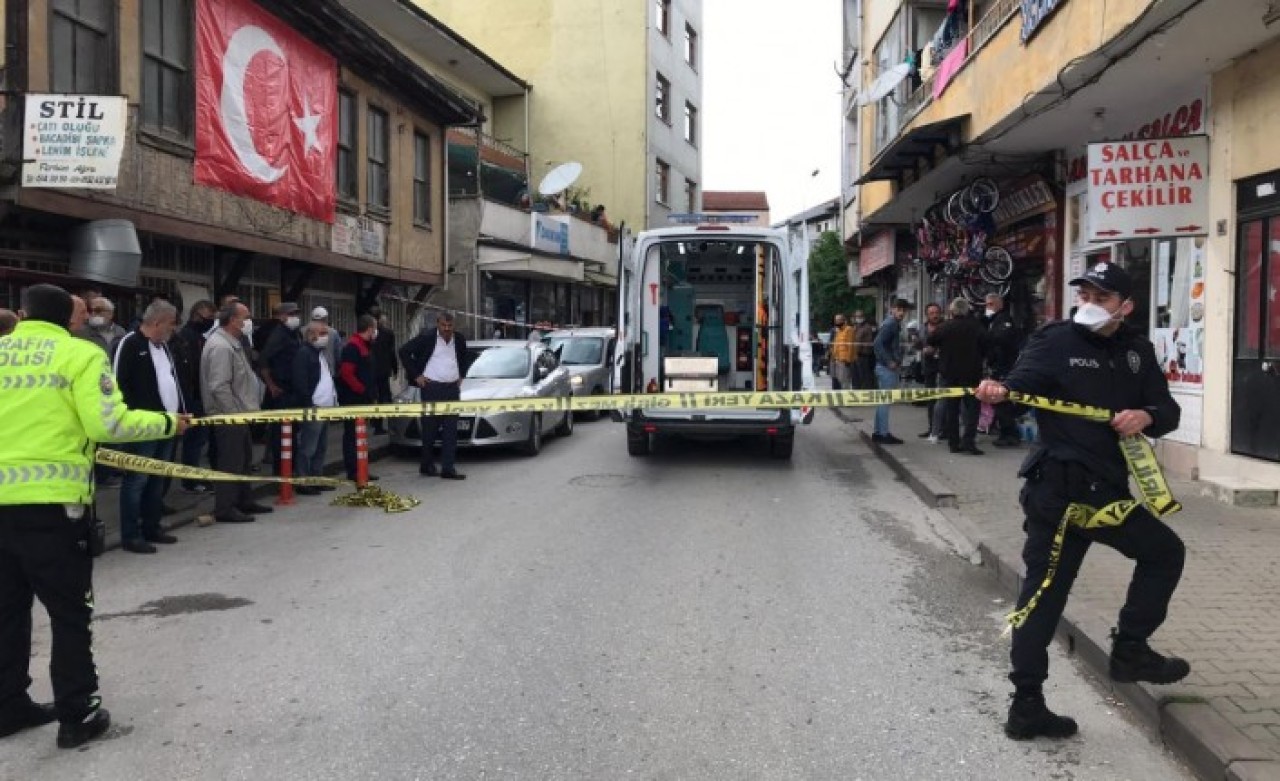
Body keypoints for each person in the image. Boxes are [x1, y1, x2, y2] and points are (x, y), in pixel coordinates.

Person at [975, 263, 1187, 741]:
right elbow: (1020, 384)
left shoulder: (1137, 352)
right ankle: (1029, 702)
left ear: (1126, 306)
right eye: (1085, 293)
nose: (1089, 303)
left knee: (1160, 553)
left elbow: (1168, 411)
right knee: (1045, 595)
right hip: (1059, 491)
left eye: (1103, 297)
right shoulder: (1055, 340)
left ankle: (1128, 649)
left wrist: (1146, 415)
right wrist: (1000, 391)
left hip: (1106, 492)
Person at [0, 284, 189, 749]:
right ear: (68, 317)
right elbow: (109, 424)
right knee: (69, 616)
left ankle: (8, 707)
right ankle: (77, 715)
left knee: (6, 614)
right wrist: (167, 423)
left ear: (24, 313)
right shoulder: (79, 355)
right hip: (53, 508)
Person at [112, 301, 185, 553]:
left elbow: (171, 380)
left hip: (168, 423)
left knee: (157, 478)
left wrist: (180, 411)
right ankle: (131, 535)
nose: (173, 329)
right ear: (157, 322)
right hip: (142, 426)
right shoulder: (130, 344)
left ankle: (152, 527)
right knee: (137, 480)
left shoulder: (163, 346)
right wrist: (132, 418)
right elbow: (118, 384)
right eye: (171, 323)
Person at [201, 302, 273, 524]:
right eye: (246, 317)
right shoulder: (221, 346)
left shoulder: (234, 343)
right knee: (230, 461)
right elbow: (219, 386)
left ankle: (243, 500)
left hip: (241, 413)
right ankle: (225, 507)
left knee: (243, 459)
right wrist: (233, 414)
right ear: (232, 320)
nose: (249, 322)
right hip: (228, 415)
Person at [399, 312, 474, 480]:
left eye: (450, 326)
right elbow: (403, 351)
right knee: (430, 430)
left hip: (452, 389)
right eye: (443, 326)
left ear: (453, 326)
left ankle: (448, 468)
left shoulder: (459, 339)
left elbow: (464, 357)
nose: (447, 329)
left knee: (450, 430)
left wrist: (462, 375)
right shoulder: (427, 337)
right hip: (432, 389)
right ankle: (426, 465)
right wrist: (416, 375)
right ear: (438, 325)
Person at [927, 298, 986, 455]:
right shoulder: (976, 327)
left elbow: (930, 340)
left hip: (950, 374)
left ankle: (954, 443)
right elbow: (987, 346)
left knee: (952, 409)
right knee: (972, 410)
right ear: (967, 311)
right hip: (972, 374)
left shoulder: (945, 327)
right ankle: (969, 442)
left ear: (952, 311)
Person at [291, 321, 339, 496]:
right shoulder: (304, 354)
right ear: (312, 335)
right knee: (308, 447)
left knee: (321, 446)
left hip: (325, 407)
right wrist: (308, 403)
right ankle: (304, 481)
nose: (326, 336)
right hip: (314, 407)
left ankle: (317, 478)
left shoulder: (319, 354)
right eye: (323, 333)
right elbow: (300, 381)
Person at [174, 301, 216, 492]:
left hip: (198, 395)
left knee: (198, 441)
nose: (211, 319)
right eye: (209, 314)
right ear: (198, 313)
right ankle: (190, 480)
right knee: (194, 441)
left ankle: (192, 476)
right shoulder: (187, 338)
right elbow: (188, 370)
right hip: (192, 397)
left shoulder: (198, 337)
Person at [258, 302, 304, 473]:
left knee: (291, 434)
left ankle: (289, 470)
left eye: (297, 314)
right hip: (282, 390)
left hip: (293, 389)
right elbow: (263, 360)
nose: (296, 317)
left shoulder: (293, 333)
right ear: (283, 316)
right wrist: (271, 385)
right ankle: (281, 471)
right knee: (282, 435)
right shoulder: (279, 334)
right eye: (292, 314)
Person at [336, 315, 380, 481]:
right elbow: (347, 374)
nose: (376, 332)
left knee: (361, 435)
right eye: (375, 328)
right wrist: (362, 391)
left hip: (363, 398)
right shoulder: (353, 347)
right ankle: (354, 470)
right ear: (369, 329)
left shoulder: (365, 346)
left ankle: (361, 468)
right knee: (352, 436)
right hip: (354, 399)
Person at [871, 298, 913, 444]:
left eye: (904, 310)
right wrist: (889, 361)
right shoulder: (891, 324)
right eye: (899, 309)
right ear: (892, 309)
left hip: (884, 367)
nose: (901, 313)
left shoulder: (892, 323)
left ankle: (878, 432)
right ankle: (883, 433)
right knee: (885, 401)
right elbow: (877, 344)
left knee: (882, 401)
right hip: (886, 368)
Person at [984, 293, 1023, 447]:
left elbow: (1003, 340)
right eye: (987, 304)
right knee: (999, 402)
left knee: (1001, 401)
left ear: (1000, 304)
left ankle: (1010, 434)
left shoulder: (1004, 320)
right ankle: (1006, 432)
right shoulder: (994, 321)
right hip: (998, 365)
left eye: (991, 304)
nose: (988, 307)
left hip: (1004, 367)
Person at [368, 305, 399, 435]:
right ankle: (382, 425)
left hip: (370, 370)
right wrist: (395, 368)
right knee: (384, 397)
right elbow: (391, 352)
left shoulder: (366, 334)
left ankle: (375, 422)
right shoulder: (387, 333)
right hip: (382, 370)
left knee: (373, 396)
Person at [918, 303, 945, 440]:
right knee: (930, 398)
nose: (934, 315)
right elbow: (918, 344)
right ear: (927, 315)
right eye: (931, 313)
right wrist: (922, 349)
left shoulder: (945, 326)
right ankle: (932, 428)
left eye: (936, 312)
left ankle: (943, 429)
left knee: (944, 398)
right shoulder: (923, 328)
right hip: (928, 366)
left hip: (943, 366)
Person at [827, 313, 855, 391]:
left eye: (839, 320)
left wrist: (848, 360)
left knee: (844, 381)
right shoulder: (838, 330)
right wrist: (832, 356)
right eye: (836, 320)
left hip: (844, 360)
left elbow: (850, 346)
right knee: (836, 380)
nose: (837, 322)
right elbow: (836, 345)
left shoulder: (849, 330)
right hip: (836, 359)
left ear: (844, 320)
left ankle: (845, 399)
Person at [852, 310, 876, 389]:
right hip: (855, 356)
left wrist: (858, 350)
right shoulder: (856, 327)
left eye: (860, 316)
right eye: (857, 317)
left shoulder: (867, 327)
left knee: (865, 377)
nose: (858, 318)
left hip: (864, 356)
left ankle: (868, 393)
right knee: (856, 377)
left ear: (864, 317)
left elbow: (867, 343)